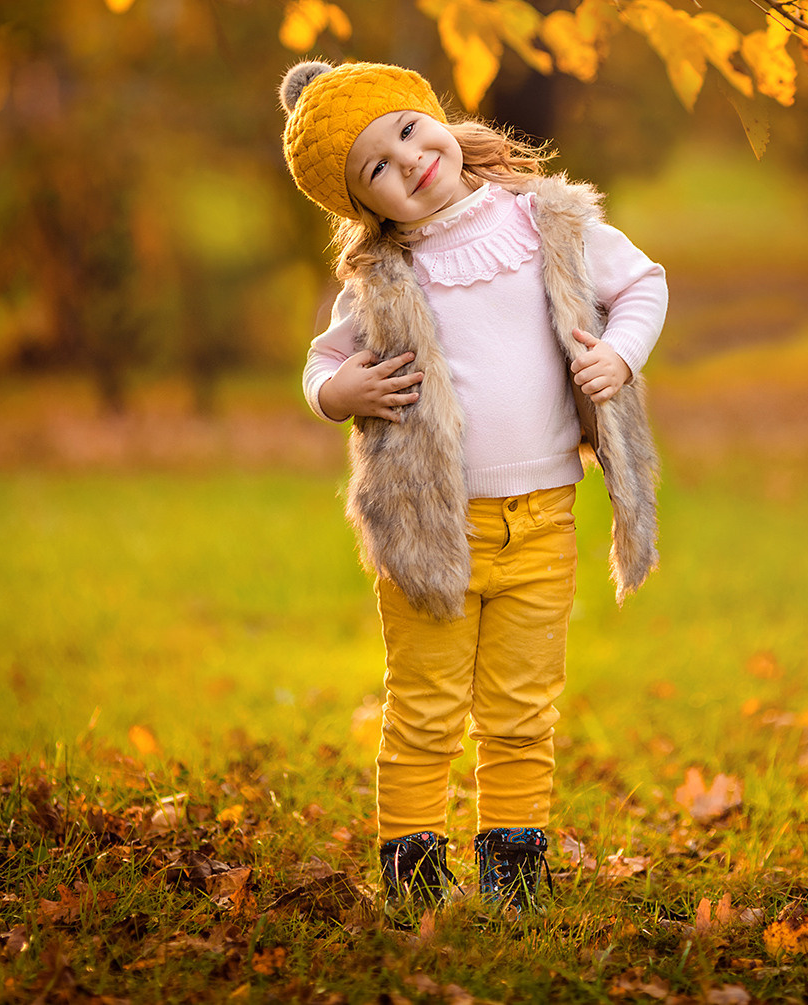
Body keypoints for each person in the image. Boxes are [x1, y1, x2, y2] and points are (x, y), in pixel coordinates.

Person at [277, 59, 666, 913]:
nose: (409, 161)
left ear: (436, 118)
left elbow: (643, 283)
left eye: (408, 130)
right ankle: (413, 881)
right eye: (377, 167)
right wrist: (341, 393)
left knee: (522, 708)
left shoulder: (543, 221)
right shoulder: (382, 279)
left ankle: (512, 878)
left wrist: (618, 354)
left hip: (542, 520)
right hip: (430, 527)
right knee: (425, 707)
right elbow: (321, 365)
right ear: (364, 205)